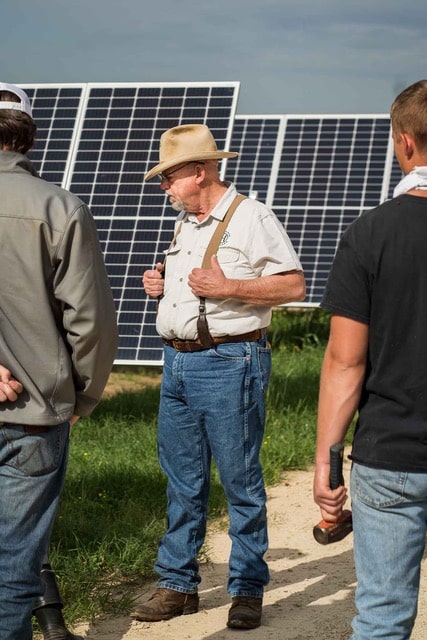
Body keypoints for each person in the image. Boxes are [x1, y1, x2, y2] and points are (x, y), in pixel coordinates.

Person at [131, 123, 305, 630]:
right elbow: (194, 287)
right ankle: (177, 584)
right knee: (182, 479)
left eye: (170, 176)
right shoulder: (186, 223)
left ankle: (247, 588)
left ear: (201, 171)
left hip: (230, 362)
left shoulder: (251, 217)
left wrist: (228, 284)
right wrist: (160, 286)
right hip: (178, 362)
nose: (164, 186)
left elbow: (293, 284)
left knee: (240, 480)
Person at [0, 83, 118, 640]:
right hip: (36, 412)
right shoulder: (60, 207)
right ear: (30, 138)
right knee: (15, 567)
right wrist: (82, 393)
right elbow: (89, 322)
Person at [313, 79, 427, 639]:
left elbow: (345, 363)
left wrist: (326, 461)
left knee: (382, 616)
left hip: (390, 457)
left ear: (405, 143)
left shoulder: (368, 234)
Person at [0, 364, 82, 640]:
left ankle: (52, 620)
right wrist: (81, 400)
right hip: (30, 407)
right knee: (20, 544)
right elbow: (90, 331)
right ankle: (51, 621)